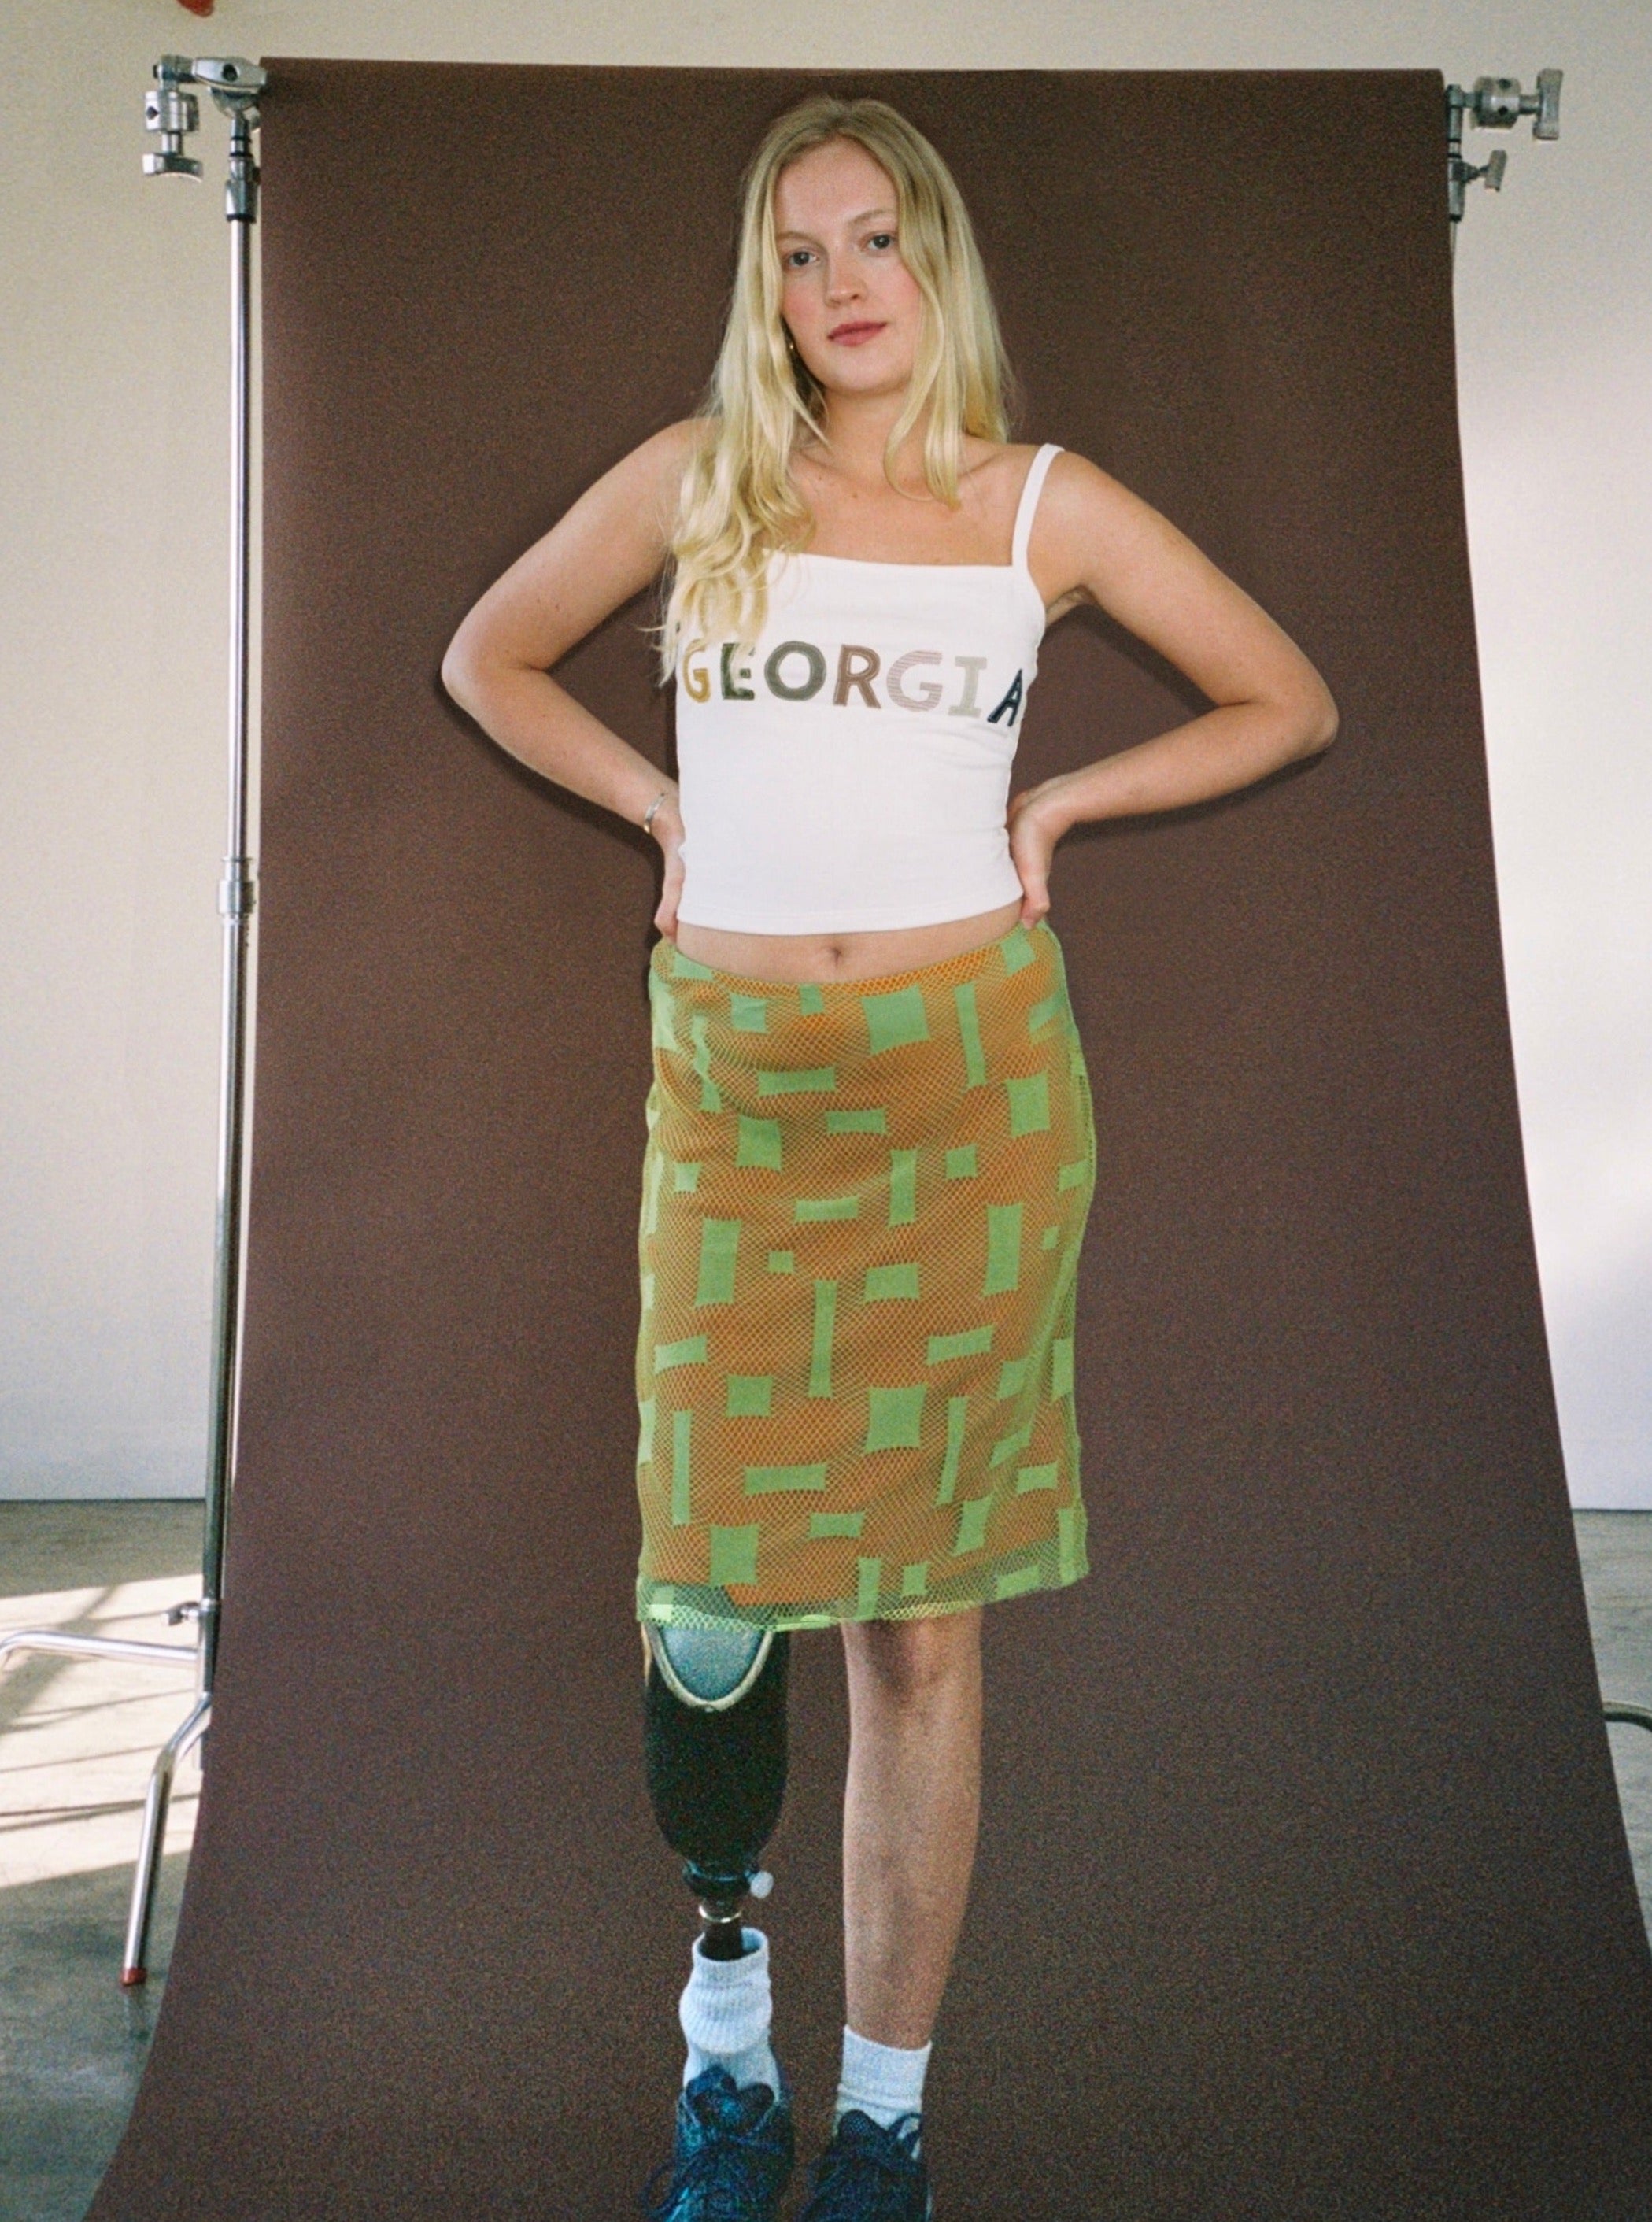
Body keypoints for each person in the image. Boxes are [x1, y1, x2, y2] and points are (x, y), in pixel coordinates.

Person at [442, 91, 1336, 2222]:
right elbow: (489, 655)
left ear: (936, 258)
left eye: (873, 239)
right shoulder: (700, 476)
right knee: (710, 1610)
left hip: (965, 1101)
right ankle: (726, 2056)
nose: (840, 284)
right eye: (798, 250)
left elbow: (1281, 699)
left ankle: (883, 2124)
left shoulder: (1041, 505)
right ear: (764, 289)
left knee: (920, 1635)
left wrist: (1060, 808)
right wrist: (663, 808)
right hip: (741, 1095)